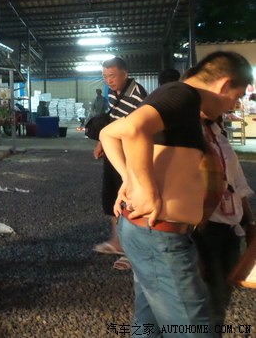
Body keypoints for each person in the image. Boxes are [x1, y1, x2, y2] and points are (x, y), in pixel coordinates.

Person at [99, 51, 253, 335]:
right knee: (192, 328)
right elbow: (132, 129)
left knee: (149, 326)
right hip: (160, 236)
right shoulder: (183, 95)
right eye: (238, 96)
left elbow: (109, 133)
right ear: (224, 84)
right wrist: (144, 187)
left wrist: (129, 176)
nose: (235, 105)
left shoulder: (180, 102)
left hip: (149, 232)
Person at [193, 117, 255, 331]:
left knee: (222, 296)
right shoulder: (187, 133)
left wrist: (250, 222)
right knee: (208, 299)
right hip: (204, 228)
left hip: (231, 228)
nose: (234, 103)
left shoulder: (220, 135)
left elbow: (238, 183)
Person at [92, 57, 146, 269]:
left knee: (130, 199)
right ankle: (117, 242)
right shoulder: (115, 93)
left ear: (125, 73)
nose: (109, 81)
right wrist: (102, 143)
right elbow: (113, 120)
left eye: (112, 76)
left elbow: (136, 129)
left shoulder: (137, 95)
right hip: (114, 153)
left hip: (130, 155)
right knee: (112, 197)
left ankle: (133, 251)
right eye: (105, 77)